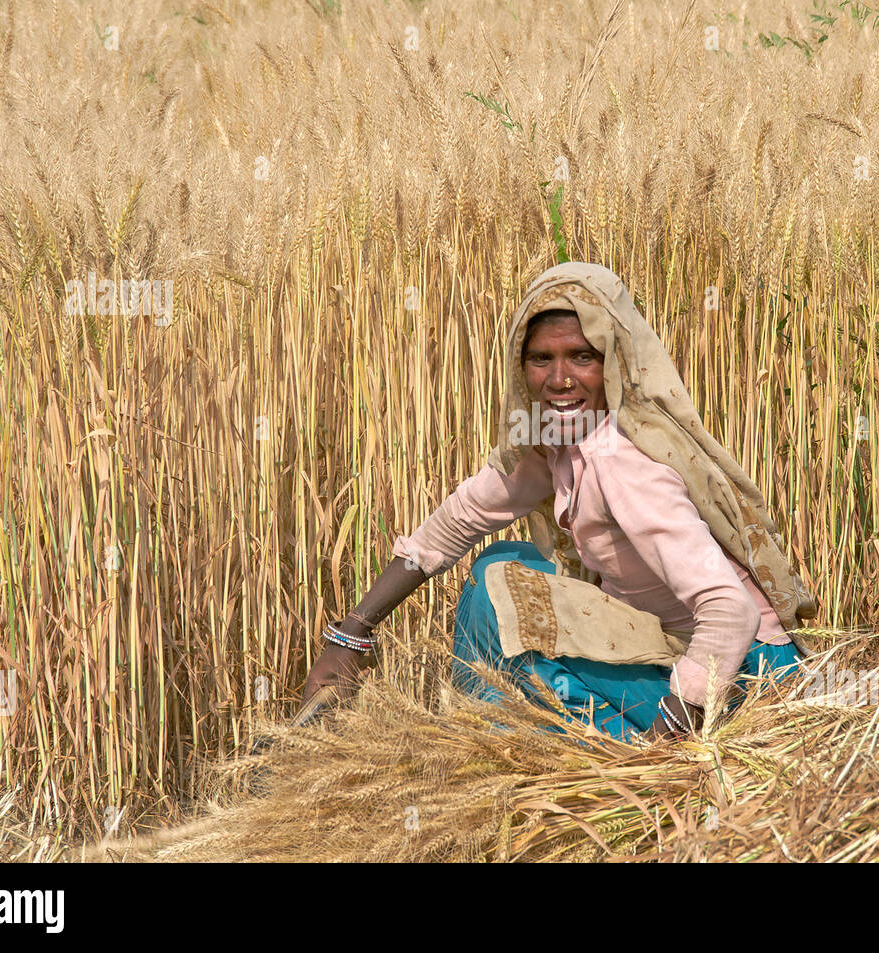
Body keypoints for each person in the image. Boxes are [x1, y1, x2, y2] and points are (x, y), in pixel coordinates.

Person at [302, 262, 817, 742]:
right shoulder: (555, 441)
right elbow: (458, 521)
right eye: (541, 359)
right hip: (672, 643)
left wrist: (671, 739)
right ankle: (491, 737)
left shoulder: (623, 463)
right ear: (519, 365)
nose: (559, 379)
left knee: (504, 621)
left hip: (740, 674)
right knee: (503, 564)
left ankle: (497, 748)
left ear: (613, 363)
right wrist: (351, 637)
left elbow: (729, 611)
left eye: (582, 357)